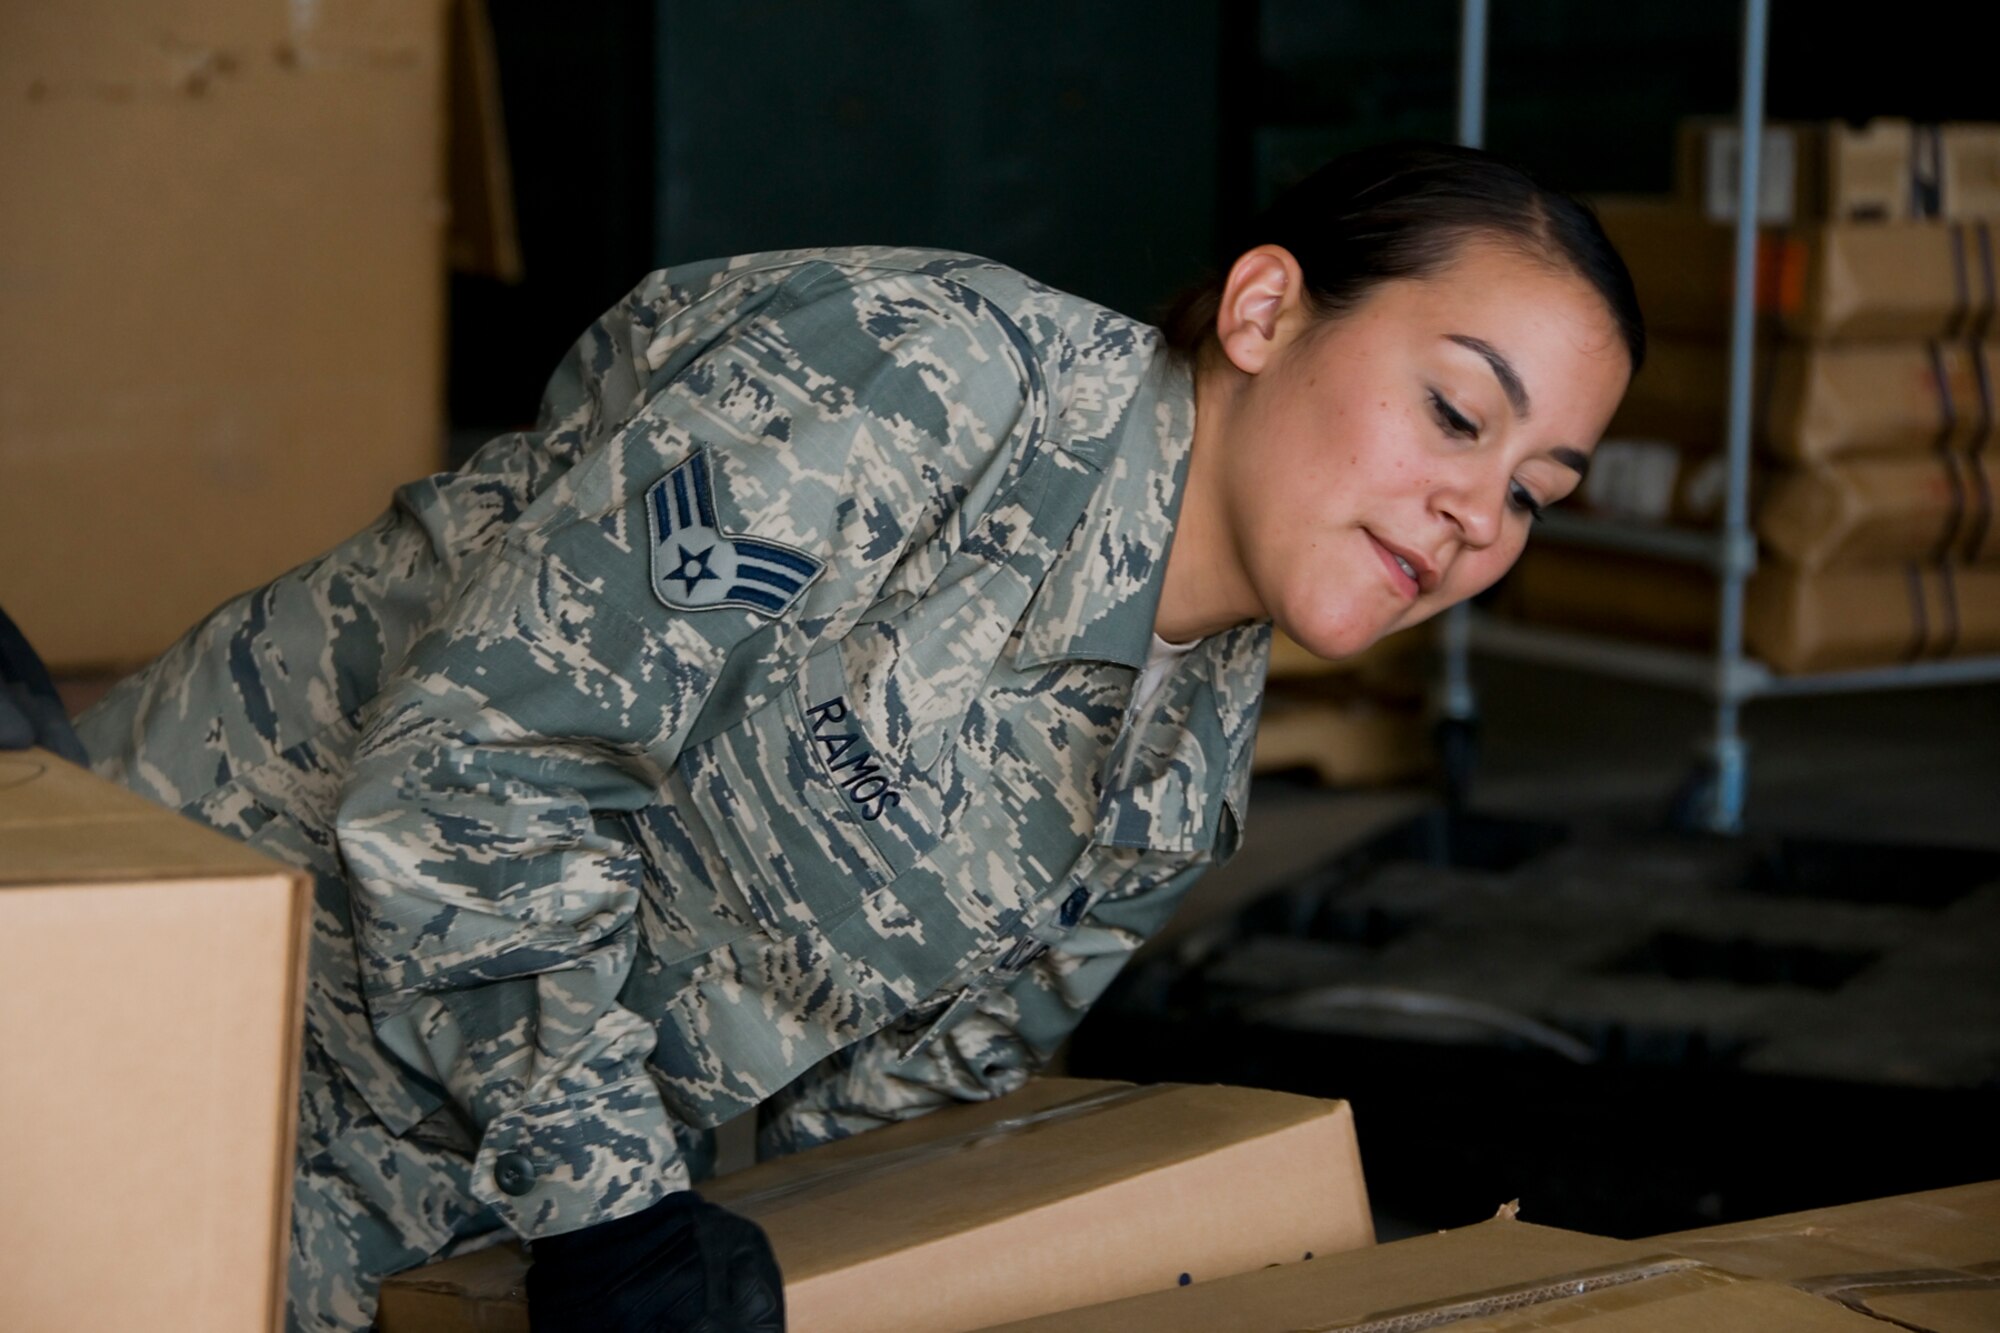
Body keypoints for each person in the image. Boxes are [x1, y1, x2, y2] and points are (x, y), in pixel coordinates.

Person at [63, 141, 1639, 1332]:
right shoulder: (923, 383)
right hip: (161, 1011)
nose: (1474, 515)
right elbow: (475, 779)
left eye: (1535, 494)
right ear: (1266, 306)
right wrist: (619, 1224)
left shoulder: (1179, 774)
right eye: (1456, 413)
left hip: (408, 1229)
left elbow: (877, 1132)